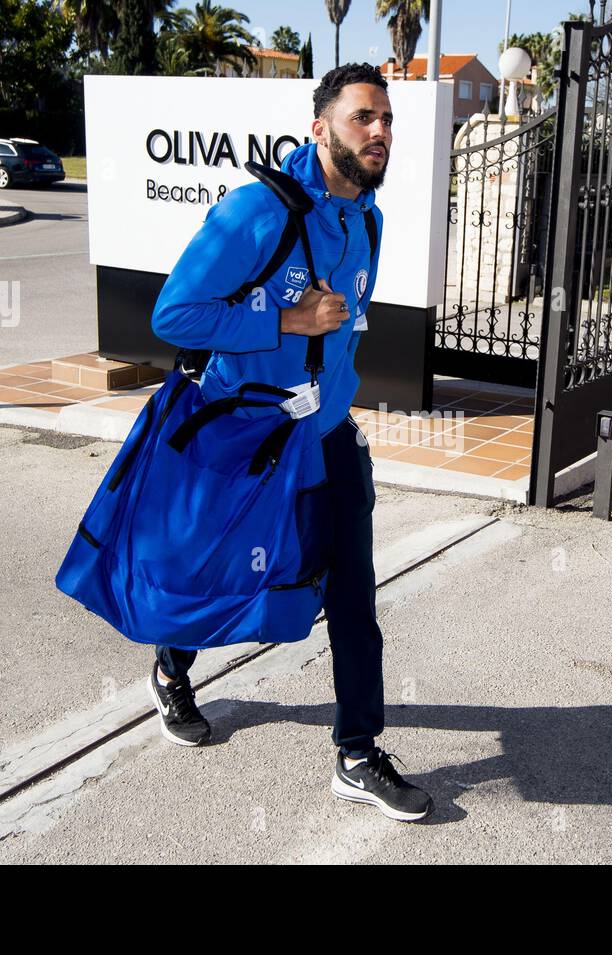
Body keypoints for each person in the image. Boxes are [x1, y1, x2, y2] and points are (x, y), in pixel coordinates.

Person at [145, 63, 433, 823]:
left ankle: (359, 751)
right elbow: (175, 315)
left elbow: (347, 329)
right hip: (248, 434)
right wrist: (283, 323)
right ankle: (172, 666)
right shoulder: (258, 212)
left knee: (352, 594)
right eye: (363, 117)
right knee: (218, 571)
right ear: (320, 127)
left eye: (387, 118)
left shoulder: (367, 218)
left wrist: (335, 396)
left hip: (328, 434)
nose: (379, 132)